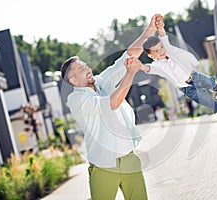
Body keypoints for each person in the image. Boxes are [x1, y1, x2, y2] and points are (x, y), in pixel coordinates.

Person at [60, 14, 162, 200]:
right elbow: (111, 104)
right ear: (73, 80)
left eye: (86, 65)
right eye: (81, 69)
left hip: (129, 158)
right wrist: (130, 74)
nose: (88, 69)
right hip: (104, 165)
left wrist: (150, 30)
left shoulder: (100, 81)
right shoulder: (77, 100)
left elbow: (127, 56)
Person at [140, 16, 217, 118]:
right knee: (204, 99)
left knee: (208, 81)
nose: (161, 51)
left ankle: (216, 87)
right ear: (151, 56)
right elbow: (149, 68)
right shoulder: (157, 66)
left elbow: (163, 36)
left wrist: (160, 27)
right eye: (157, 51)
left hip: (193, 75)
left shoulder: (168, 50)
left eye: (161, 47)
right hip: (186, 88)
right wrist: (140, 66)